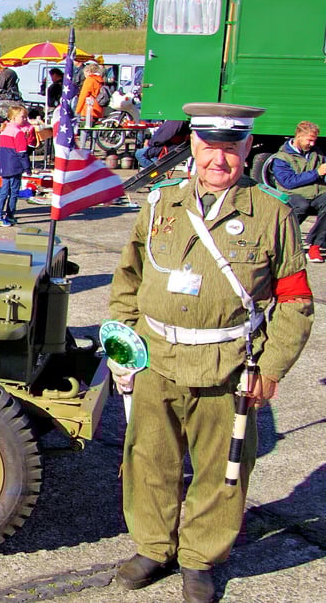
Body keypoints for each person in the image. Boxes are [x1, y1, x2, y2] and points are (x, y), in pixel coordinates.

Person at [108, 103, 313, 603]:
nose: (218, 160)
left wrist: (270, 367)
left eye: (230, 149)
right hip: (156, 360)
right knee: (148, 459)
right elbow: (128, 280)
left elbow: (296, 301)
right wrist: (122, 345)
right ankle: (155, 547)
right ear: (193, 147)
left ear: (246, 150)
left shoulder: (272, 214)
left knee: (224, 468)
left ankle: (200, 558)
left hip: (228, 368)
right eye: (209, 148)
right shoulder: (157, 206)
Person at [270, 121, 326, 263]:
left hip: (317, 191)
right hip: (292, 192)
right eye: (309, 140)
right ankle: (282, 242)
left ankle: (315, 246)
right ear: (299, 136)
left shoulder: (317, 153)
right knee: (301, 206)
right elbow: (288, 181)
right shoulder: (281, 157)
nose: (312, 144)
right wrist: (317, 173)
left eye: (314, 140)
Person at [0, 105, 37, 226]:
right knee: (13, 192)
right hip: (15, 166)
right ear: (14, 117)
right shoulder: (18, 132)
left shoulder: (4, 129)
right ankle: (8, 215)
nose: (25, 119)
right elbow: (22, 153)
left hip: (5, 164)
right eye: (23, 117)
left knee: (4, 191)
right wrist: (27, 168)